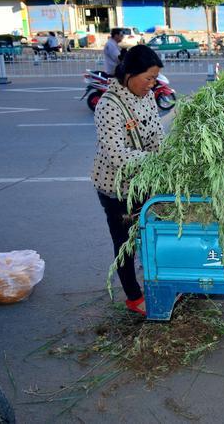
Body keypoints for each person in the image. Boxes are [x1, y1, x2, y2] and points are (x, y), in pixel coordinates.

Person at [92, 45, 165, 316]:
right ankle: (134, 297)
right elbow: (117, 155)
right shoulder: (109, 105)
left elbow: (157, 134)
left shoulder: (145, 97)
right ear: (130, 74)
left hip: (144, 181)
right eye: (148, 78)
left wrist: (167, 153)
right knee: (125, 243)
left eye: (155, 78)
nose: (152, 83)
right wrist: (155, 161)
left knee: (148, 234)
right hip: (116, 189)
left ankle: (157, 285)